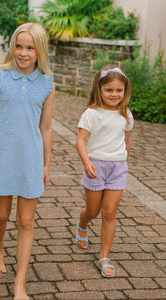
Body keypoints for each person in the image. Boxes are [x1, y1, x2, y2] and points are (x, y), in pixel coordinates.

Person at [0, 23, 55, 299]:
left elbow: (46, 127)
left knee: (26, 221)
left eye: (30, 48)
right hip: (1, 155)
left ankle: (19, 283)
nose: (23, 53)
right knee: (1, 214)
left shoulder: (46, 84)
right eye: (19, 46)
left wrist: (46, 164)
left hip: (31, 158)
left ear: (39, 51)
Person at [76, 65, 134, 278]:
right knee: (93, 211)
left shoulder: (125, 114)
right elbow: (81, 140)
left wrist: (124, 161)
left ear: (124, 91)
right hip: (95, 167)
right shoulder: (91, 114)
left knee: (109, 212)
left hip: (117, 168)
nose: (114, 94)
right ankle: (83, 225)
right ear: (99, 89)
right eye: (109, 90)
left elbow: (126, 141)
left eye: (119, 90)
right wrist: (86, 162)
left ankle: (104, 256)